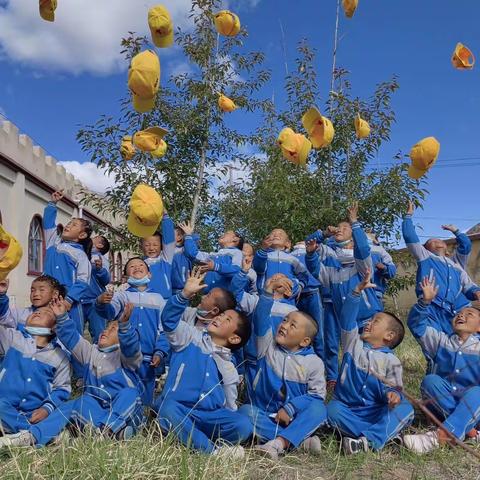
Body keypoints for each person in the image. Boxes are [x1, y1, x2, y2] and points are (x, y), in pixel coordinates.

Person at [0, 300, 144, 448]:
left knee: (130, 393)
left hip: (127, 415)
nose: (105, 331)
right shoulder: (90, 353)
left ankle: (109, 429)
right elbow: (72, 338)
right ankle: (32, 436)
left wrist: (125, 327)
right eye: (105, 327)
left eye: (113, 329)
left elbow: (131, 347)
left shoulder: (128, 359)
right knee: (79, 402)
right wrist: (62, 317)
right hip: (95, 418)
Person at [155, 269, 253, 457]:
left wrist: (227, 420)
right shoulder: (189, 337)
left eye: (227, 319)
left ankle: (191, 436)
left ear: (233, 339)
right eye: (221, 315)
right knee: (167, 410)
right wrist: (184, 295)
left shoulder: (229, 368)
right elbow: (169, 321)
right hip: (179, 408)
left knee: (243, 425)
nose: (219, 317)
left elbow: (230, 404)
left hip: (209, 417)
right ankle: (212, 452)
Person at [238, 276, 327, 460]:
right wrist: (268, 291)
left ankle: (278, 444)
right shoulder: (267, 345)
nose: (284, 325)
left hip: (294, 416)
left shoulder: (314, 362)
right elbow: (261, 317)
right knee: (245, 412)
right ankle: (299, 441)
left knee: (320, 409)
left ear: (304, 341)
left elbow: (316, 395)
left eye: (292, 325)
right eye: (285, 320)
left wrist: (291, 408)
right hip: (265, 414)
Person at [327, 269, 414, 455]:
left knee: (405, 408)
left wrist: (393, 395)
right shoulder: (353, 343)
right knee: (332, 410)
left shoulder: (392, 361)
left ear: (389, 336)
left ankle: (366, 441)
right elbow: (347, 318)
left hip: (377, 411)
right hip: (348, 410)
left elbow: (395, 388)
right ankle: (384, 435)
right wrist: (356, 292)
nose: (368, 322)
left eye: (376, 321)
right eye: (370, 319)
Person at [305, 202, 382, 389]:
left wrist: (354, 222)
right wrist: (312, 252)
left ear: (353, 239)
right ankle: (346, 385)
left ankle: (378, 386)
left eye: (344, 227)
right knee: (349, 354)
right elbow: (315, 269)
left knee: (372, 354)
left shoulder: (362, 265)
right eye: (338, 227)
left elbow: (363, 250)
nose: (340, 229)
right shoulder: (333, 266)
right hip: (346, 322)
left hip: (367, 319)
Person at [403, 277, 480, 453]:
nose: (462, 315)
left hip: (475, 406)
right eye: (459, 313)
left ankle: (439, 437)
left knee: (477, 392)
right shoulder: (440, 341)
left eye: (470, 314)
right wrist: (425, 302)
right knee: (430, 381)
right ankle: (468, 430)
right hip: (443, 403)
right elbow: (417, 326)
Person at [95, 257, 169, 406]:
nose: (136, 267)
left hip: (149, 356)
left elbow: (164, 329)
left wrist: (160, 351)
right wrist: (101, 303)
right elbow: (109, 313)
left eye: (141, 265)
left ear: (149, 274)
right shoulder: (122, 296)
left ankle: (142, 418)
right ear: (126, 277)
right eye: (131, 266)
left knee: (146, 393)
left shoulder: (159, 299)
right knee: (125, 388)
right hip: (124, 354)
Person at [402, 201, 480, 335]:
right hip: (433, 307)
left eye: (439, 240)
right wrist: (408, 216)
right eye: (430, 241)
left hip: (459, 307)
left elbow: (466, 245)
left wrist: (456, 231)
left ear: (447, 250)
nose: (436, 241)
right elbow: (410, 236)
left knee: (469, 338)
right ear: (424, 249)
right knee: (442, 342)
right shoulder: (426, 257)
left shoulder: (456, 263)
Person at [230, 257, 297, 402]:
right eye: (273, 278)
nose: (276, 279)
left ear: (289, 292)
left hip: (278, 358)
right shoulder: (255, 301)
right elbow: (235, 294)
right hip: (254, 356)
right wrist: (243, 272)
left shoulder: (293, 311)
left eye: (281, 279)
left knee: (274, 391)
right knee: (252, 393)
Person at [0, 305, 71, 439]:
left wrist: (46, 409)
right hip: (4, 405)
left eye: (46, 313)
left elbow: (62, 388)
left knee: (69, 409)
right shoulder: (12, 338)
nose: (38, 313)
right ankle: (35, 433)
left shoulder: (59, 357)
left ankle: (16, 430)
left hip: (34, 413)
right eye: (36, 311)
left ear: (55, 326)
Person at [43, 190, 93, 334]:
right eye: (70, 222)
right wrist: (52, 204)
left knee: (70, 335)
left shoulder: (81, 255)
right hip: (47, 298)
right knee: (44, 332)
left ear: (82, 235)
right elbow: (48, 224)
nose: (69, 225)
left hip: (68, 303)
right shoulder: (53, 243)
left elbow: (83, 281)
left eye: (74, 225)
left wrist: (69, 300)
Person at [180, 221, 244, 293]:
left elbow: (237, 271)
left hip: (223, 299)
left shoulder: (238, 253)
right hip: (208, 297)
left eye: (227, 233)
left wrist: (215, 266)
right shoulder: (213, 255)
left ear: (235, 239)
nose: (222, 234)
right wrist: (188, 235)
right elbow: (192, 254)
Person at [253, 228, 308, 303]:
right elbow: (258, 268)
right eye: (273, 233)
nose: (276, 235)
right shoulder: (264, 256)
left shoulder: (293, 259)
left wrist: (297, 287)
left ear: (288, 243)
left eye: (280, 234)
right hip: (266, 297)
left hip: (288, 299)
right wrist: (263, 250)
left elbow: (304, 276)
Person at [291, 240, 325, 359]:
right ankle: (320, 362)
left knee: (298, 328)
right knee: (318, 330)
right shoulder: (312, 253)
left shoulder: (289, 256)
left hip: (300, 295)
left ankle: (305, 359)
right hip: (309, 293)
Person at [0, 275, 65, 328]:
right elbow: (4, 316)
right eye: (32, 290)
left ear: (55, 294)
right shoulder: (22, 314)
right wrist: (2, 295)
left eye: (41, 290)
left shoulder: (61, 318)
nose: (35, 294)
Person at [83, 235, 111, 343]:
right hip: (80, 299)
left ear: (100, 245)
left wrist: (100, 270)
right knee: (76, 330)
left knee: (98, 331)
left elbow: (106, 280)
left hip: (96, 300)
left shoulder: (101, 259)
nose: (92, 238)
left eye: (95, 238)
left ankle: (100, 355)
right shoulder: (82, 254)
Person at [141, 213, 176, 299]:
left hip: (165, 301)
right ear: (141, 246)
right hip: (147, 302)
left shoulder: (165, 261)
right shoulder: (140, 265)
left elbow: (169, 239)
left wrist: (165, 216)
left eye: (155, 245)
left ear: (161, 246)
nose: (151, 248)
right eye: (147, 245)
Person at [367, 233, 397, 301]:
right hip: (356, 292)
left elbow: (392, 271)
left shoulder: (379, 250)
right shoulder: (352, 250)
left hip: (375, 293)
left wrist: (384, 268)